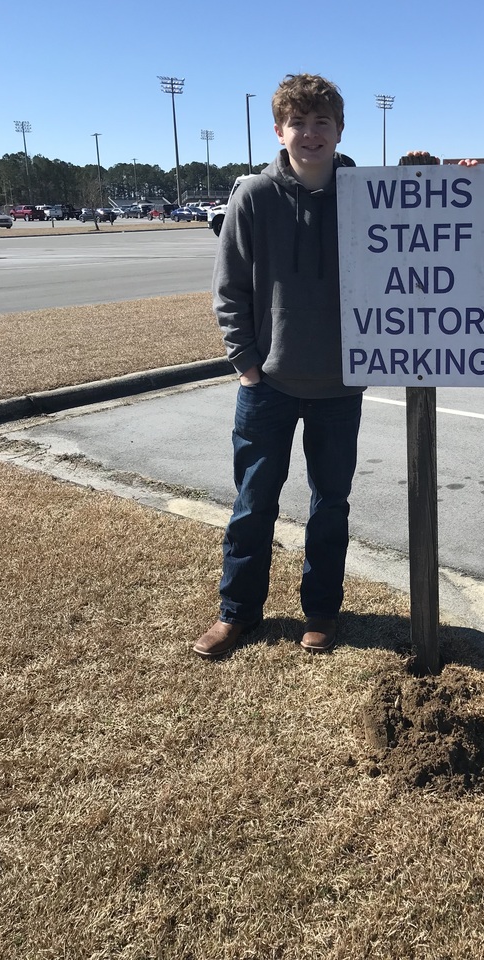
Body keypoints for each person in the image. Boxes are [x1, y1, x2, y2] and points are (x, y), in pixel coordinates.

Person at [193, 73, 363, 658]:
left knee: (330, 504)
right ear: (279, 130)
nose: (310, 134)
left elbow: (420, 231)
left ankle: (320, 610)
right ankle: (237, 612)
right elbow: (230, 286)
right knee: (252, 502)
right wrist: (246, 364)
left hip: (341, 386)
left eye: (322, 123)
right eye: (299, 123)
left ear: (340, 130)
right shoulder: (253, 196)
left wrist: (433, 171)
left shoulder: (365, 195)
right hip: (268, 384)